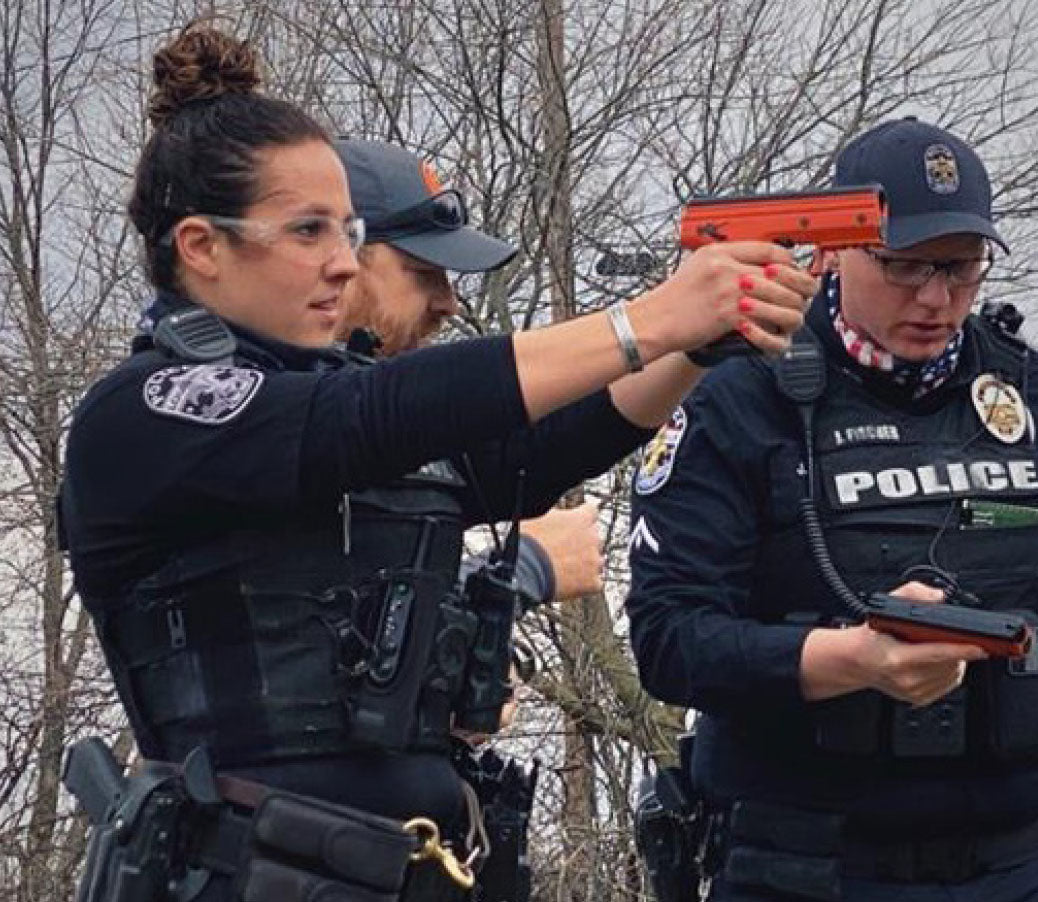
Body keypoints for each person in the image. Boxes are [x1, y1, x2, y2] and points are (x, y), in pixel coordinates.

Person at [58, 22, 814, 902]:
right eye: (308, 231)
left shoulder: (339, 403)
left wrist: (697, 344)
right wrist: (644, 321)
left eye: (349, 231)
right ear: (201, 247)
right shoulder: (147, 410)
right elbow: (369, 415)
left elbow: (531, 452)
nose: (342, 263)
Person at [626, 117, 1038, 902]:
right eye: (903, 267)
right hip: (805, 868)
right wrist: (844, 660)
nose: (936, 299)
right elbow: (668, 640)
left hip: (1022, 862)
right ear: (833, 249)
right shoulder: (740, 399)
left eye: (960, 270)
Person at [330, 137, 604, 613]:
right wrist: (521, 569)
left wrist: (691, 345)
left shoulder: (407, 419)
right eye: (423, 272)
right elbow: (326, 629)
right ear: (338, 259)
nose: (449, 303)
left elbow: (544, 446)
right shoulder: (247, 415)